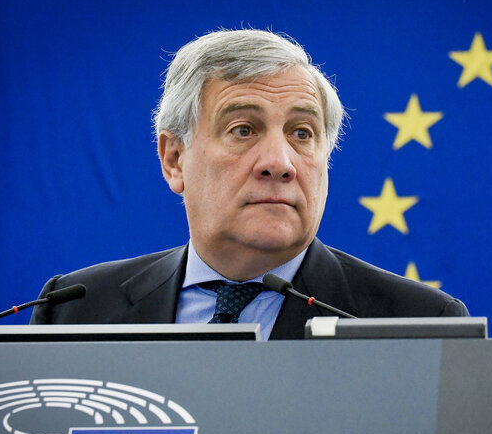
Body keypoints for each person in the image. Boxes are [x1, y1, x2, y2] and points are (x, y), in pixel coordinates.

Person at [30, 29, 468, 338]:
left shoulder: (416, 324)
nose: (280, 163)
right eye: (244, 129)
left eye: (302, 133)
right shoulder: (74, 311)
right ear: (174, 159)